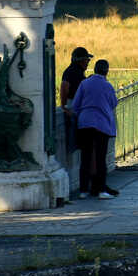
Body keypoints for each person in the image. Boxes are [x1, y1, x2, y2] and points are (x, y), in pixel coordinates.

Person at [72, 59, 120, 200]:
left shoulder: (84, 83)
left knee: (85, 157)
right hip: (102, 125)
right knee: (100, 158)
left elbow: (75, 105)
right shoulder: (107, 86)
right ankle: (101, 190)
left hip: (85, 123)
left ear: (94, 69)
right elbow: (113, 103)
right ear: (106, 71)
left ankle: (83, 191)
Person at [58, 47, 91, 195]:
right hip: (73, 109)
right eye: (86, 60)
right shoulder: (72, 72)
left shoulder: (74, 72)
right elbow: (64, 87)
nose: (88, 62)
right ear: (80, 60)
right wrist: (64, 106)